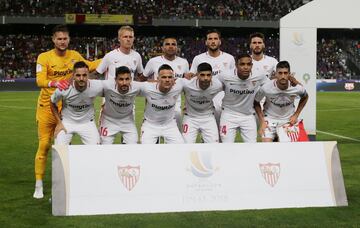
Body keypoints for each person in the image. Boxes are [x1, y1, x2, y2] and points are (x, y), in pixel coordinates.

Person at [33, 25, 100, 199]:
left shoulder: (75, 56)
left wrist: (114, 56)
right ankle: (38, 184)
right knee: (45, 145)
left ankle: (69, 183)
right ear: (53, 40)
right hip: (47, 107)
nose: (62, 42)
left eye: (65, 38)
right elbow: (39, 80)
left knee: (63, 146)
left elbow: (90, 66)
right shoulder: (44, 57)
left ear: (69, 39)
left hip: (67, 110)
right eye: (59, 39)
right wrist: (56, 83)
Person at [188, 29, 236, 126]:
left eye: (215, 38)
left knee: (223, 122)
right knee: (206, 121)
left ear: (220, 41)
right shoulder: (198, 58)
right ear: (206, 42)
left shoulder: (229, 58)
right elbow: (192, 77)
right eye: (210, 39)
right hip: (205, 93)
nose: (213, 41)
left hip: (223, 94)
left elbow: (234, 78)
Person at [254, 61, 309, 142]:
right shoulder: (266, 87)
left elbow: (305, 97)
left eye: (285, 73)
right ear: (276, 74)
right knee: (266, 147)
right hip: (269, 119)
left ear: (289, 74)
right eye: (280, 73)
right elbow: (256, 102)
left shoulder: (297, 88)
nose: (283, 76)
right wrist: (262, 121)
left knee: (286, 148)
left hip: (287, 120)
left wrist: (296, 114)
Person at [218, 54, 268, 143]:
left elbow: (271, 86)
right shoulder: (224, 76)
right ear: (236, 65)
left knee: (252, 147)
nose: (246, 67)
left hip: (248, 116)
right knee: (226, 147)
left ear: (252, 65)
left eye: (248, 64)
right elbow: (209, 87)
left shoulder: (259, 75)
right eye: (242, 64)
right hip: (228, 115)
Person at [50, 61, 103, 145]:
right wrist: (59, 123)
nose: (81, 78)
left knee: (95, 151)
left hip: (87, 123)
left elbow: (111, 91)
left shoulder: (97, 86)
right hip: (67, 123)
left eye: (84, 75)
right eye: (78, 75)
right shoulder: (64, 88)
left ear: (88, 75)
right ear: (73, 76)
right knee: (59, 150)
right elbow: (52, 102)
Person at [143, 37, 189, 130]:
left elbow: (186, 85)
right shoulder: (153, 61)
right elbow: (143, 80)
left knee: (176, 135)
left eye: (173, 44)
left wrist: (187, 104)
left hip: (175, 104)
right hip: (155, 104)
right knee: (155, 134)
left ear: (177, 47)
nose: (170, 46)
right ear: (163, 48)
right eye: (167, 44)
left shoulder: (184, 62)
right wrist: (158, 82)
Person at [140, 64, 184, 144]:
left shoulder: (179, 85)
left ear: (173, 79)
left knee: (180, 149)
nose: (167, 80)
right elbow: (130, 88)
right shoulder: (146, 87)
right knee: (146, 151)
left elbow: (193, 83)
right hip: (150, 125)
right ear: (158, 79)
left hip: (170, 125)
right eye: (164, 77)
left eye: (170, 77)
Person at [99, 66, 143, 144]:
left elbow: (152, 86)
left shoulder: (137, 87)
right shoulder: (107, 85)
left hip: (127, 121)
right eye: (121, 79)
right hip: (108, 120)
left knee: (133, 146)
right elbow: (90, 84)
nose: (124, 83)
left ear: (131, 79)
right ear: (115, 80)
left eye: (127, 79)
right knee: (104, 148)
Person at [182, 62, 222, 143]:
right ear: (197, 75)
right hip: (190, 118)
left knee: (214, 146)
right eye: (202, 75)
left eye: (208, 75)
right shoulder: (186, 84)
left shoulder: (218, 85)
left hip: (208, 118)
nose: (206, 78)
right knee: (186, 146)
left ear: (212, 75)